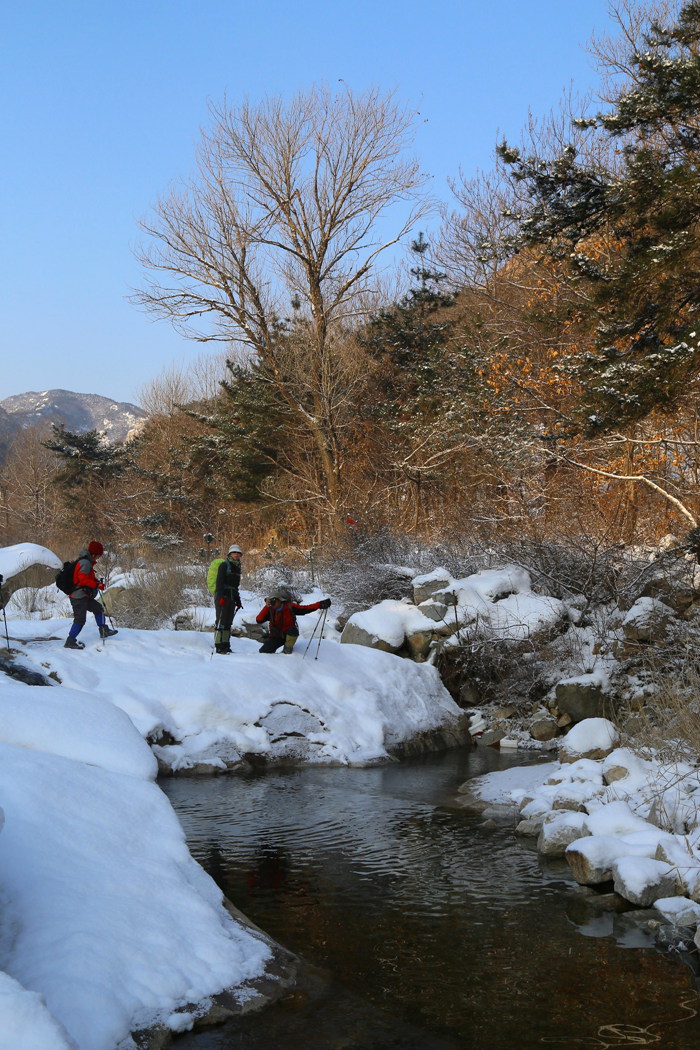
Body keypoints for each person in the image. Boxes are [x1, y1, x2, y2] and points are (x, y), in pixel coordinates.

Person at [64, 541, 117, 649]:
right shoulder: (85, 563)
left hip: (83, 595)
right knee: (80, 620)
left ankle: (103, 630)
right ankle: (70, 641)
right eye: (98, 555)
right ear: (94, 554)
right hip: (78, 596)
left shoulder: (86, 561)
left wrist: (96, 583)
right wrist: (96, 584)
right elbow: (82, 579)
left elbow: (87, 578)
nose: (98, 558)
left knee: (98, 608)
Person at [256, 590, 331, 654]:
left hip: (288, 634)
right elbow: (259, 620)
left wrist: (320, 604)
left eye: (274, 601)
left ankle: (287, 651)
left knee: (293, 631)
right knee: (263, 652)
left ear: (280, 600)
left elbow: (305, 608)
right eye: (271, 602)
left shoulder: (289, 607)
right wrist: (267, 606)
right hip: (276, 636)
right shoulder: (270, 610)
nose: (272, 604)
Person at [214, 544, 243, 654]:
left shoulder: (237, 567)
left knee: (228, 623)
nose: (236, 554)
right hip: (223, 596)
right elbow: (219, 582)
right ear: (230, 554)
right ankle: (218, 645)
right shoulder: (224, 565)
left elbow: (235, 587)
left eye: (238, 553)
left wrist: (238, 601)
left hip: (232, 597)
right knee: (221, 621)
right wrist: (220, 597)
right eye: (234, 552)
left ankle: (226, 645)